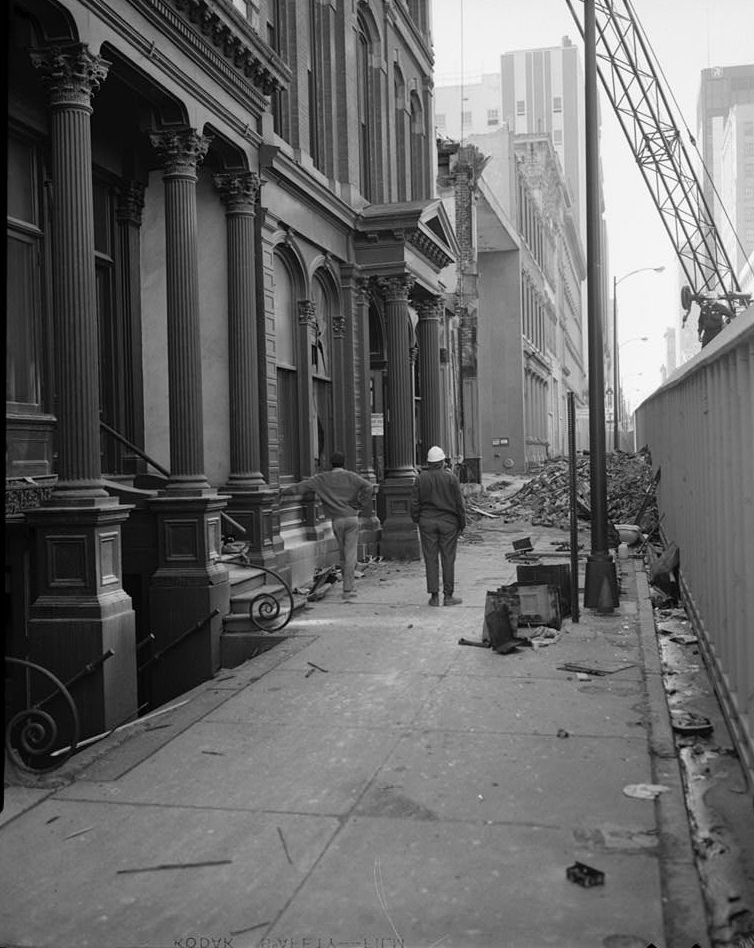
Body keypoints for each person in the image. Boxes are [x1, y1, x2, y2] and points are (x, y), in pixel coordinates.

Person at [281, 452, 373, 599]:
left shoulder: (322, 478)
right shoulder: (351, 477)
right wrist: (359, 504)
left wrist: (283, 492)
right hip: (351, 517)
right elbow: (368, 486)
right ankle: (348, 589)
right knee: (350, 554)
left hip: (337, 520)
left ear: (331, 464)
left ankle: (347, 587)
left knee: (342, 553)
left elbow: (302, 487)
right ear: (344, 463)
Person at [410, 445, 466, 607]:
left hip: (427, 522)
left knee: (431, 558)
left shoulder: (421, 479)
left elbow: (414, 503)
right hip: (449, 523)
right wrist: (462, 523)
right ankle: (448, 596)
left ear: (429, 463)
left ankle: (434, 596)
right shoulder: (451, 478)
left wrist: (417, 519)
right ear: (442, 462)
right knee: (448, 558)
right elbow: (459, 504)